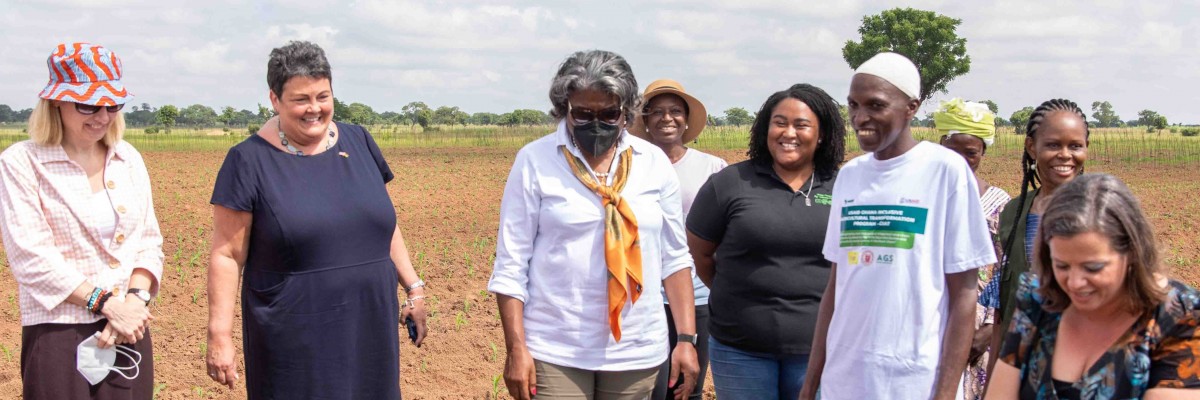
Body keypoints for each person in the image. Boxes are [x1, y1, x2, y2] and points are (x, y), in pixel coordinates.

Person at [205, 41, 428, 399]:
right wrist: (219, 335)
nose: (314, 109)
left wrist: (413, 288)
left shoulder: (359, 141)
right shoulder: (248, 161)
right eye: (300, 99)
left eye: (323, 96)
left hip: (368, 325)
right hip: (295, 336)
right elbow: (226, 255)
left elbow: (383, 226)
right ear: (275, 99)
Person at [488, 50, 700, 400]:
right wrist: (516, 349)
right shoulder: (535, 160)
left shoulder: (653, 163)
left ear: (627, 111)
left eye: (609, 113)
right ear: (564, 108)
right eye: (583, 114)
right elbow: (511, 263)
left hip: (635, 348)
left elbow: (675, 257)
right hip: (556, 347)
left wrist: (687, 339)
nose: (596, 123)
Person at [800, 52, 994, 400]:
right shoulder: (850, 177)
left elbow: (965, 293)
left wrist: (946, 392)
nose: (860, 118)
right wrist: (812, 382)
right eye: (853, 105)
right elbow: (836, 286)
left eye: (875, 105)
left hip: (914, 380)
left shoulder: (945, 170)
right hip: (844, 380)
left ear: (911, 107)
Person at [0, 42, 162, 399]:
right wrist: (107, 304)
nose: (102, 116)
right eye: (88, 103)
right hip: (59, 332)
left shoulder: (127, 158)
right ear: (56, 101)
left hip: (127, 328)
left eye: (113, 104)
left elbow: (149, 241)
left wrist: (135, 302)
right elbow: (32, 258)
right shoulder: (22, 163)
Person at [686, 84, 844, 400]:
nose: (789, 133)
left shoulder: (844, 185)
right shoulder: (730, 184)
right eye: (779, 122)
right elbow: (700, 253)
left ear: (822, 133)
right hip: (740, 349)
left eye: (801, 124)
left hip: (820, 349)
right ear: (765, 129)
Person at [986, 173, 1200, 398]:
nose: (1075, 283)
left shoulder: (1179, 316)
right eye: (1062, 266)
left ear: (1132, 254)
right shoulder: (1038, 298)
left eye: (1093, 268)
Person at [627, 78, 725, 400]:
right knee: (648, 388)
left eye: (675, 111)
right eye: (656, 112)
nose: (666, 118)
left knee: (688, 387)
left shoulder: (712, 168)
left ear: (685, 119)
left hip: (697, 296)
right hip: (643, 297)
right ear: (644, 120)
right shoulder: (629, 167)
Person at [989, 99, 1090, 375]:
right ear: (1031, 147)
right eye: (1053, 145)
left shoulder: (1102, 212)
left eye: (1075, 146)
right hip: (1018, 372)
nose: (1065, 155)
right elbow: (1002, 313)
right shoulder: (1013, 213)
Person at [933, 98, 1011, 399]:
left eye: (971, 153)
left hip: (978, 319)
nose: (963, 160)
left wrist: (990, 328)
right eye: (954, 151)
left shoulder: (998, 203)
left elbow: (1003, 271)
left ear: (983, 153)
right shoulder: (922, 195)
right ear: (941, 144)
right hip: (929, 314)